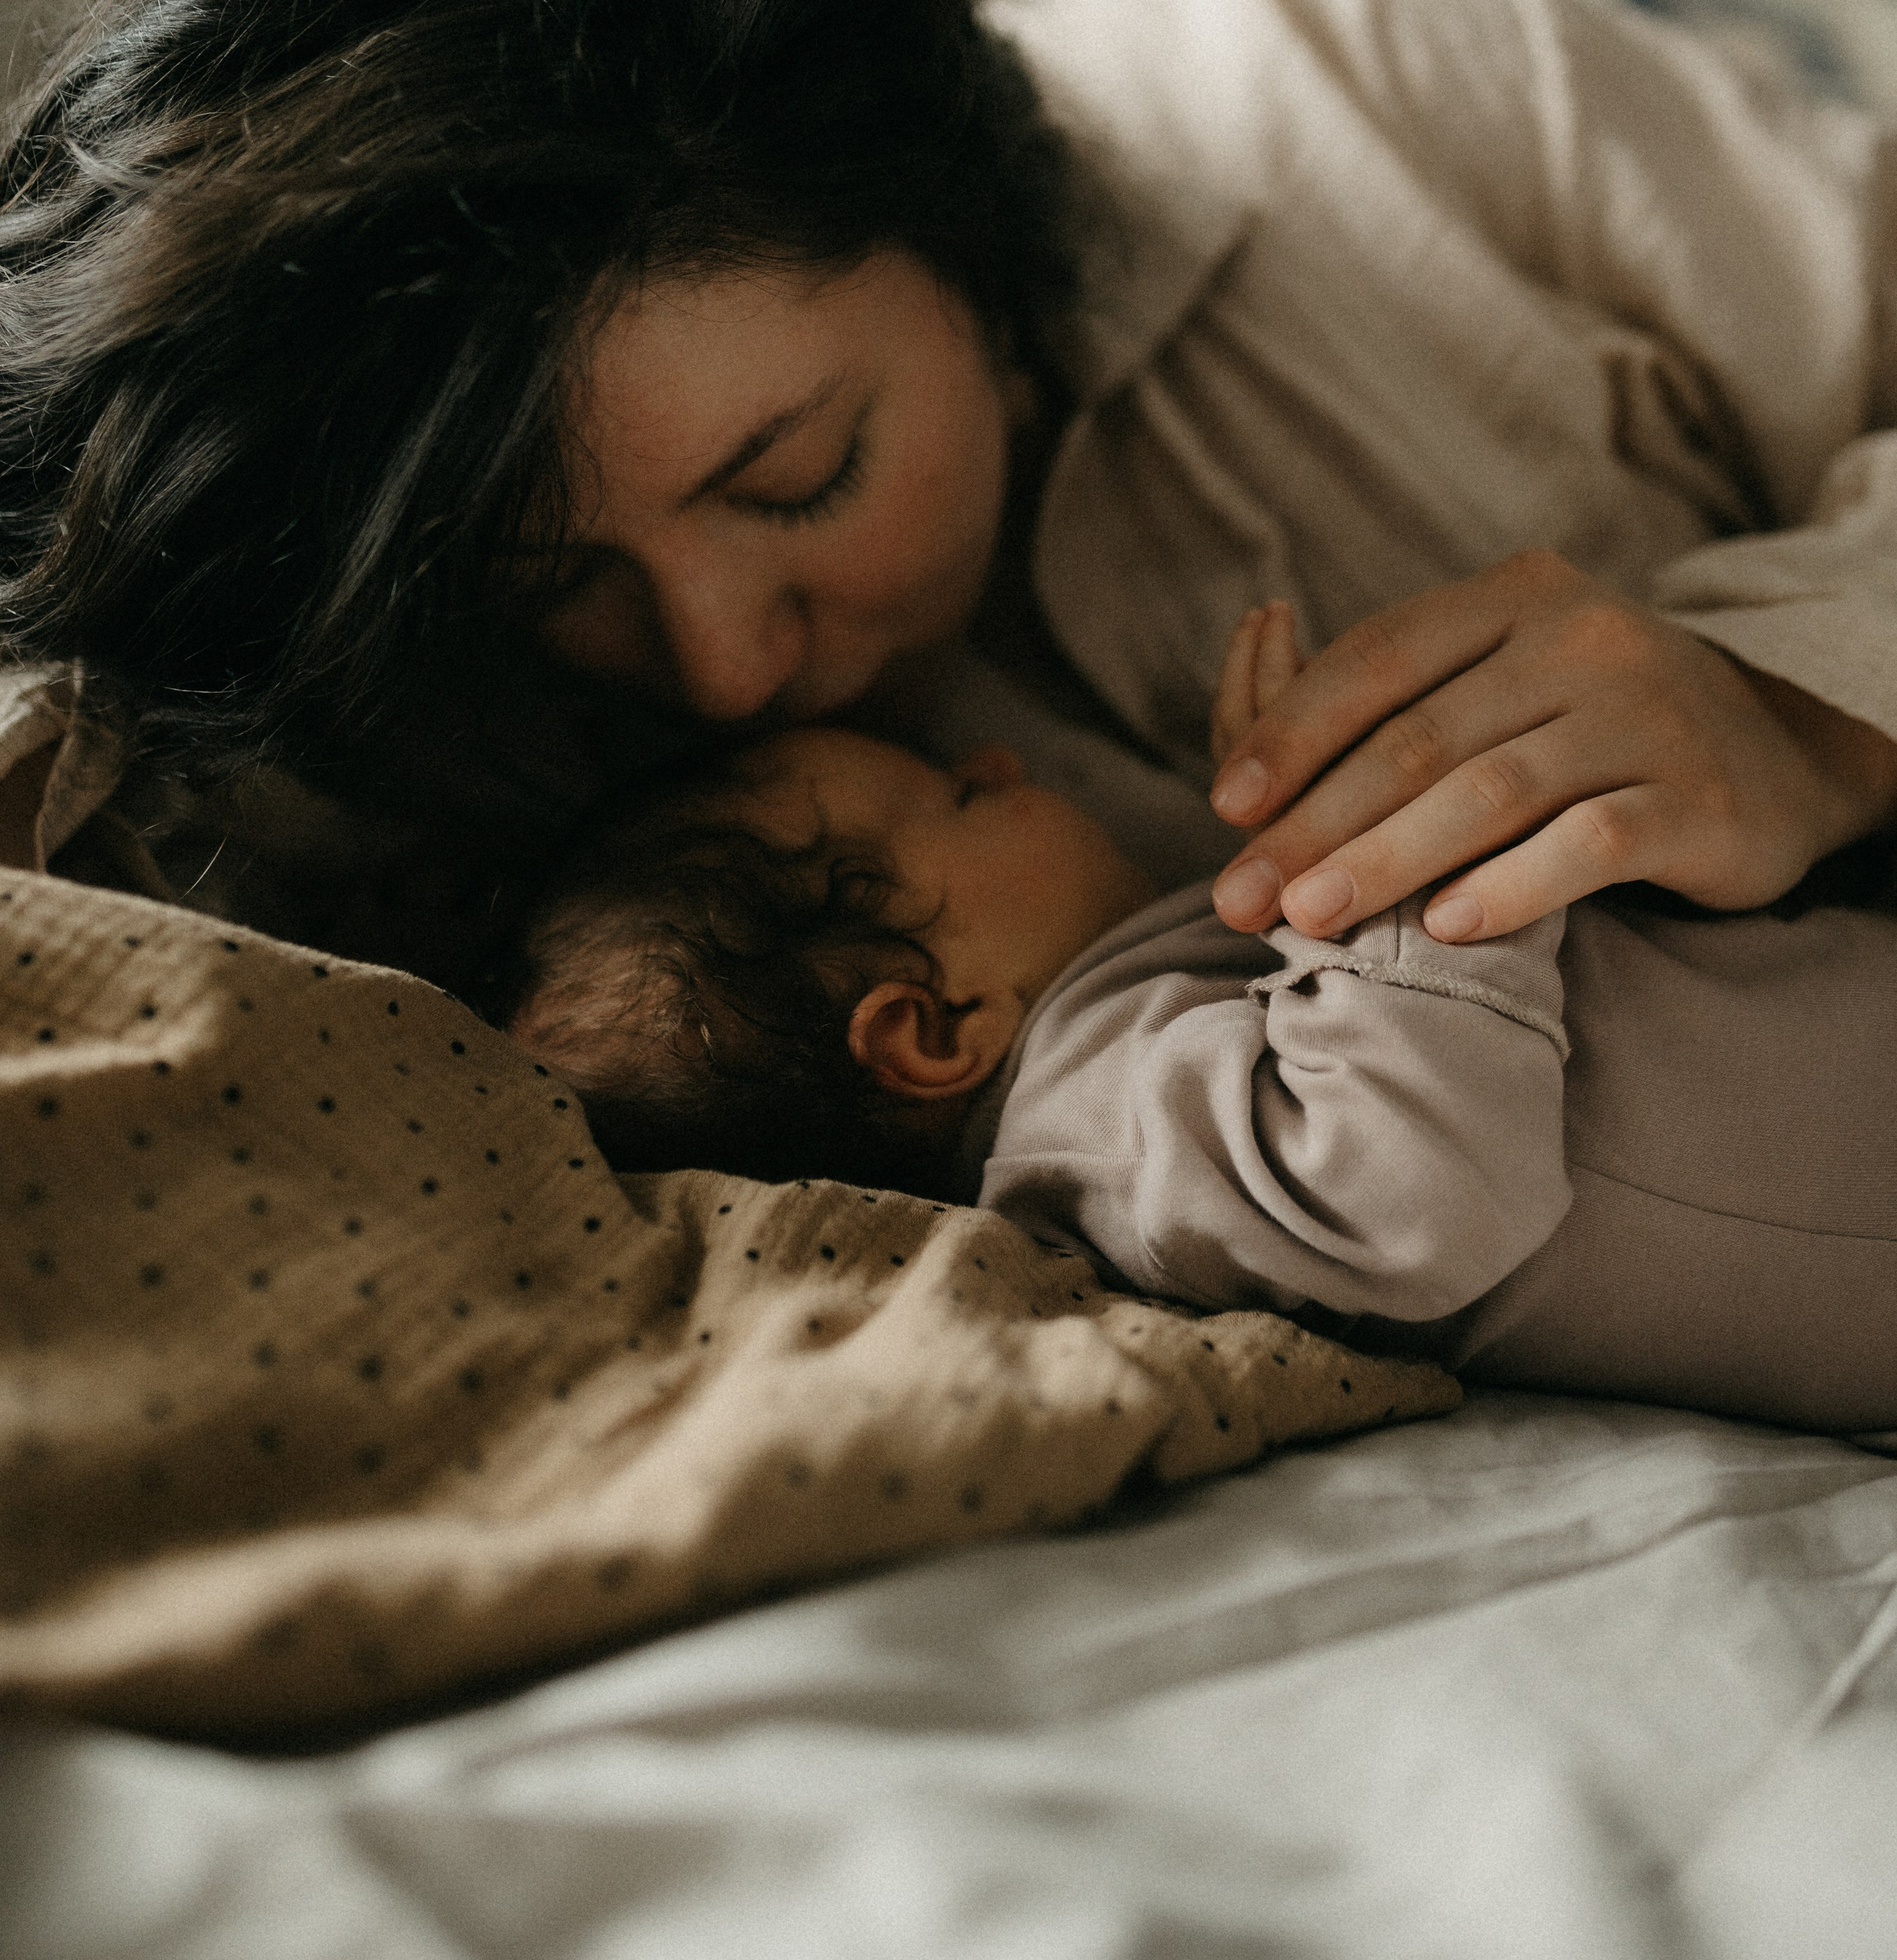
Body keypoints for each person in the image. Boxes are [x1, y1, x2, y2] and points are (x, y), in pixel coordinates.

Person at [2, 0, 1896, 1010]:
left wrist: (1803, 709)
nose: (726, 672)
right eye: (553, 574)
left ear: (972, 222)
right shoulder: (414, 653)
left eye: (801, 473)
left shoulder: (1303, 58)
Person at [505, 605, 1897, 1438]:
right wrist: (1382, 854)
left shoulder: (1141, 1001)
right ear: (935, 1029)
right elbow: (1408, 1192)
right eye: (958, 800)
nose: (996, 758)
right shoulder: (1097, 1133)